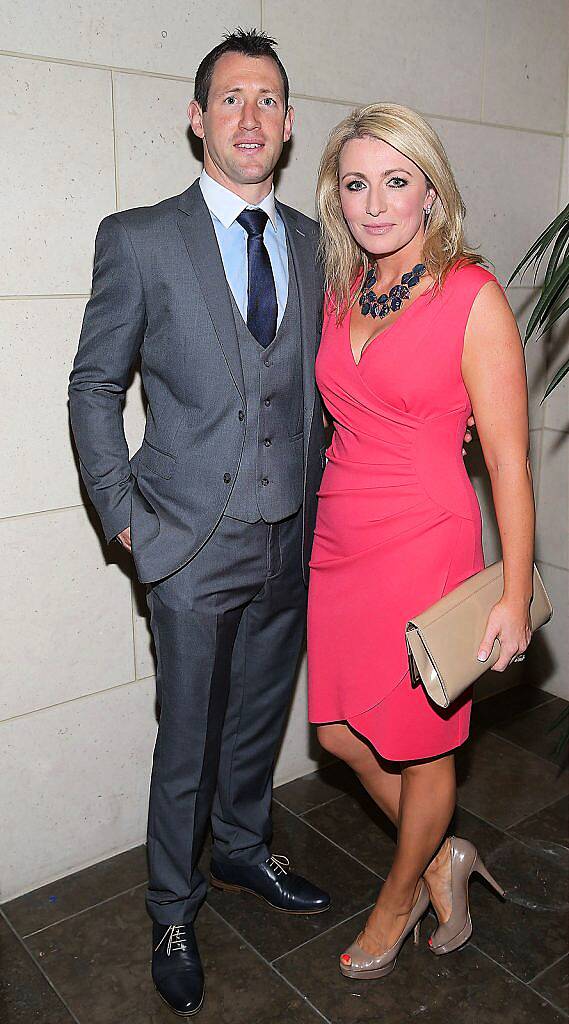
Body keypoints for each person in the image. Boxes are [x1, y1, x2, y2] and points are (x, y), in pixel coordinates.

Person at [68, 29, 332, 1017]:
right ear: (197, 117)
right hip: (183, 542)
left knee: (257, 722)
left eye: (266, 99)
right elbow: (94, 384)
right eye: (229, 99)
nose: (249, 117)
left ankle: (239, 849)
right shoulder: (137, 238)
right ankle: (171, 906)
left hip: (289, 538)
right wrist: (122, 515)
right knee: (187, 738)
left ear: (289, 123)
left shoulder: (315, 244)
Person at [307, 102, 534, 980]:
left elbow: (509, 463)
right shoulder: (344, 286)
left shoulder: (471, 296)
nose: (374, 203)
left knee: (422, 743)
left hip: (425, 541)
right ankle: (440, 855)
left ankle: (400, 896)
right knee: (335, 733)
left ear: (430, 194)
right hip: (340, 538)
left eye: (396, 182)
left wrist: (513, 593)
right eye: (357, 184)